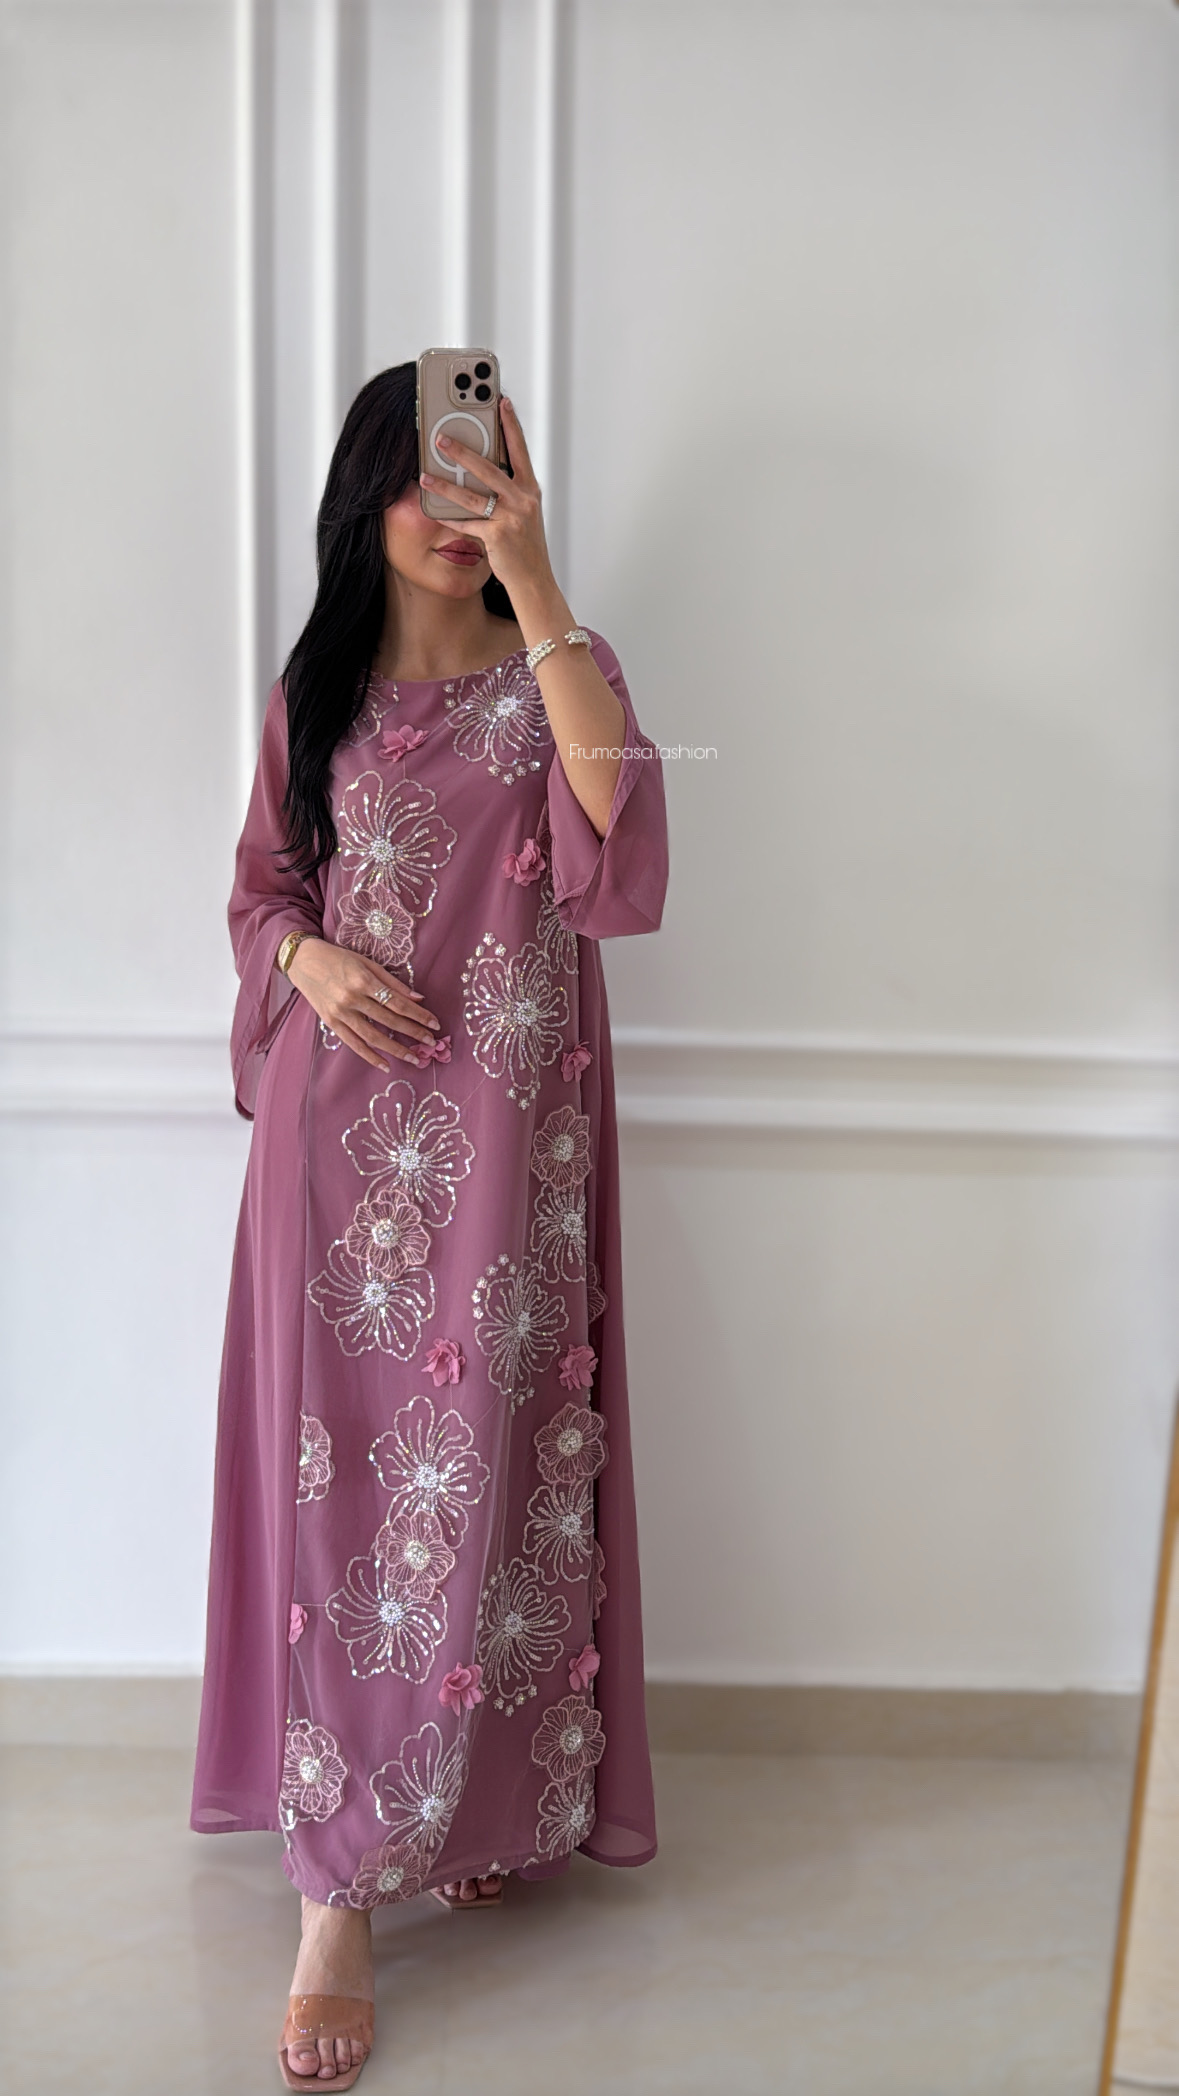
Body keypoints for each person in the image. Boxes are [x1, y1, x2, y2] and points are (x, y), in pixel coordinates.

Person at [189, 361, 670, 2086]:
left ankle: (468, 1806)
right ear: (367, 496)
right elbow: (262, 894)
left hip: (510, 1163)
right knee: (344, 1508)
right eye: (428, 478)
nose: (457, 511)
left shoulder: (565, 679)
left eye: (490, 476)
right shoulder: (310, 697)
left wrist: (538, 582)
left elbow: (619, 845)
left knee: (494, 1480)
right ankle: (335, 1897)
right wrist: (306, 961)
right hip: (335, 1175)